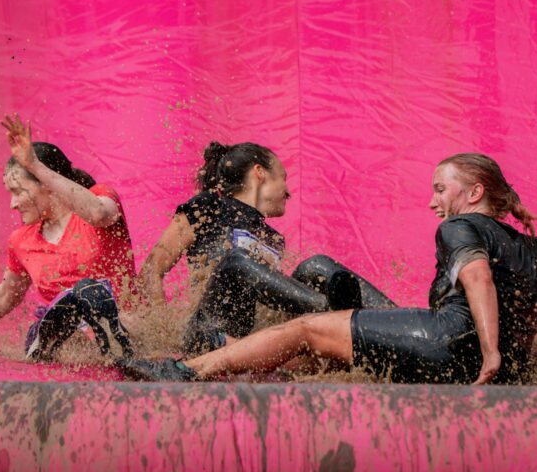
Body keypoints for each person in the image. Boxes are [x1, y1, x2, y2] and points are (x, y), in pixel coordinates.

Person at [121, 153, 537, 385]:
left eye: (440, 189)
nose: (432, 202)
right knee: (327, 344)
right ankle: (246, 358)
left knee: (310, 329)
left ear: (474, 193)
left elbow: (478, 279)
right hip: (484, 360)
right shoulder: (536, 247)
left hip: (451, 346)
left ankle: (184, 371)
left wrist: (490, 353)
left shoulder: (461, 228)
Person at [139, 141, 394, 354]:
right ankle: (334, 309)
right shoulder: (208, 206)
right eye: (284, 178)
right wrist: (165, 331)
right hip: (207, 330)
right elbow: (152, 268)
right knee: (237, 260)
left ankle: (397, 320)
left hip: (249, 337)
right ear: (260, 172)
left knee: (314, 265)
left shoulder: (271, 238)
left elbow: (269, 304)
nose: (288, 191)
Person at [0, 115, 138, 360]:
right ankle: (57, 337)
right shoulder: (20, 240)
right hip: (68, 340)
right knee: (60, 315)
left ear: (47, 184)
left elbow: (99, 214)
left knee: (86, 292)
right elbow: (5, 295)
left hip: (122, 330)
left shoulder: (99, 197)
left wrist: (34, 165)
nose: (13, 204)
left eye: (18, 192)